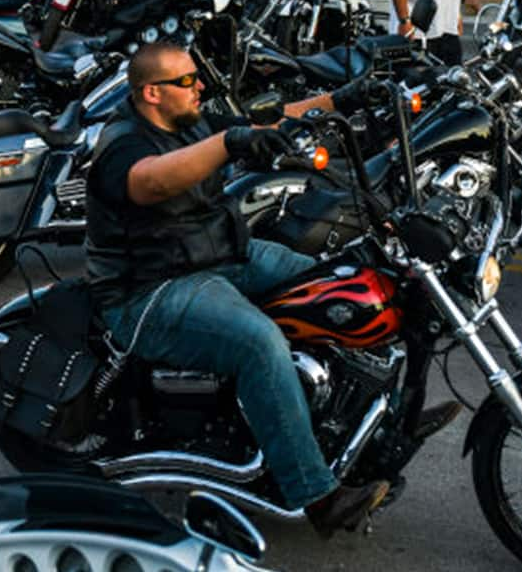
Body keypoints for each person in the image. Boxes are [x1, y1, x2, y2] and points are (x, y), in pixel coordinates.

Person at [85, 40, 451, 537]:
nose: (199, 88)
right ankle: (318, 496)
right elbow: (152, 183)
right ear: (152, 92)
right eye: (187, 81)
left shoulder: (184, 118)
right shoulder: (123, 142)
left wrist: (343, 99)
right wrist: (227, 144)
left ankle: (380, 420)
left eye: (197, 79)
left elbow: (269, 120)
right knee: (259, 342)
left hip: (224, 256)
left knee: (343, 282)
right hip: (149, 289)